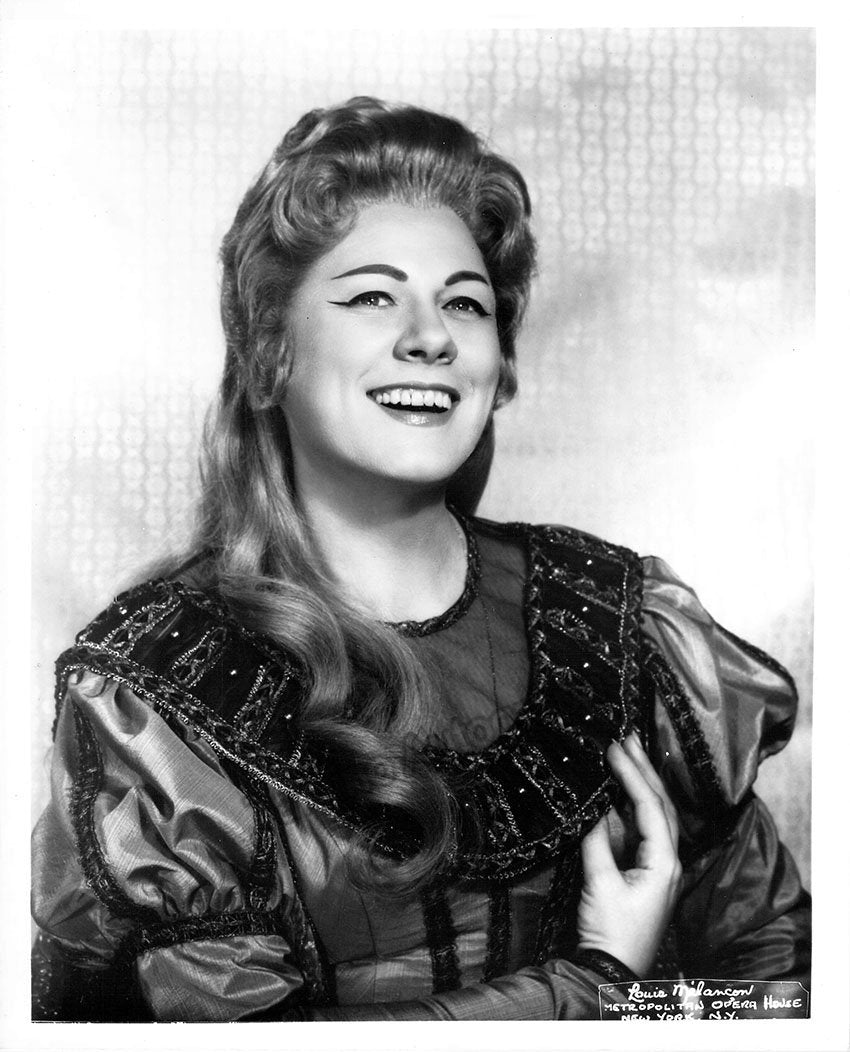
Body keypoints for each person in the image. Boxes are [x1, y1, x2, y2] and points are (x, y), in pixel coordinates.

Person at [31, 96, 810, 1022]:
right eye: (373, 296)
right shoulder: (157, 691)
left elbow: (786, 996)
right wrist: (598, 989)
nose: (431, 335)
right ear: (270, 353)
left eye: (465, 303)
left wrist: (651, 1006)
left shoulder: (616, 623)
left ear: (498, 366)